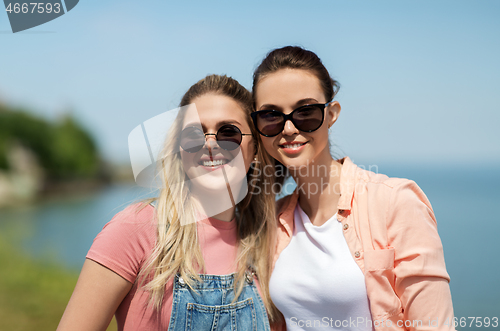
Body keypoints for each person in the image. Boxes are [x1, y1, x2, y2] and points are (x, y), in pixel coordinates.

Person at [251, 46, 455, 330]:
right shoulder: (272, 220)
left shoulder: (395, 202)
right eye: (271, 115)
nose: (288, 128)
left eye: (306, 112)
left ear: (332, 114)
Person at [57, 74, 282, 330]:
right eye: (194, 134)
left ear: (254, 150)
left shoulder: (264, 243)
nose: (210, 144)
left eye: (228, 132)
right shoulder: (137, 229)